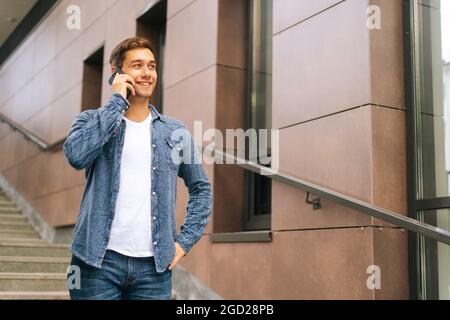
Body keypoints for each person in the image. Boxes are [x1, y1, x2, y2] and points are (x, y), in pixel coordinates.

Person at [63, 36, 213, 300]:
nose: (147, 73)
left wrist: (185, 241)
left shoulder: (175, 131)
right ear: (116, 73)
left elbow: (201, 189)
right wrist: (117, 101)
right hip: (95, 264)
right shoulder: (90, 120)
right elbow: (76, 156)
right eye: (137, 65)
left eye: (152, 66)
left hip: (153, 271)